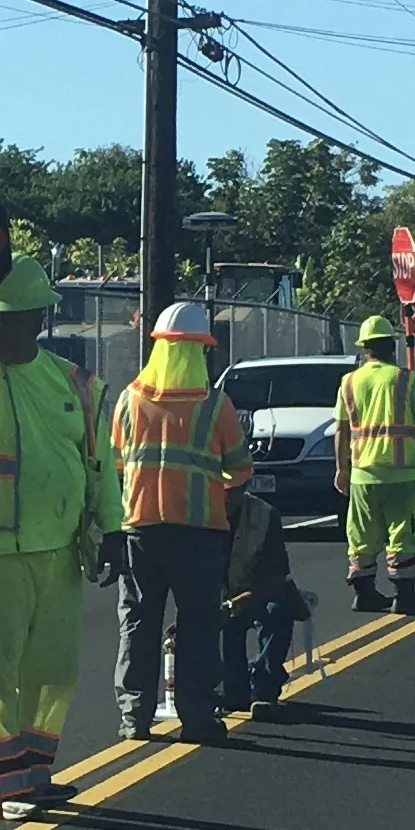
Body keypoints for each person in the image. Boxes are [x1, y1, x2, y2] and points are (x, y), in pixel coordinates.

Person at [0, 255, 125, 818]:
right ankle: (3, 783)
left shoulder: (72, 382)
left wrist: (112, 529)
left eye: (8, 318)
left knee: (52, 668)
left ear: (38, 319)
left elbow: (98, 463)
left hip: (59, 549)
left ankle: (33, 772)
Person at [113, 300, 254, 745]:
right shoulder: (216, 406)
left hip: (139, 529)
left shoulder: (129, 399)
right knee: (197, 624)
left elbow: (114, 463)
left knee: (138, 622)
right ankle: (197, 717)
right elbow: (239, 470)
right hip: (197, 532)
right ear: (200, 350)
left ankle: (135, 717)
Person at [336, 314, 415, 616]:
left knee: (362, 535)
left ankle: (364, 594)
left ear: (365, 348)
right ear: (390, 347)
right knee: (403, 533)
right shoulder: (405, 379)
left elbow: (341, 429)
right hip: (401, 473)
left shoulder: (349, 382)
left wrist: (341, 469)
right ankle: (404, 597)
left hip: (361, 475)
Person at [220, 484, 312, 721]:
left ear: (243, 487)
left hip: (256, 594)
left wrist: (238, 602)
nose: (226, 496)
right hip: (216, 596)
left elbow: (277, 578)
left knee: (278, 610)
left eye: (231, 490)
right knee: (215, 622)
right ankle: (233, 688)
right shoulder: (197, 514)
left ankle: (264, 689)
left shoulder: (264, 515)